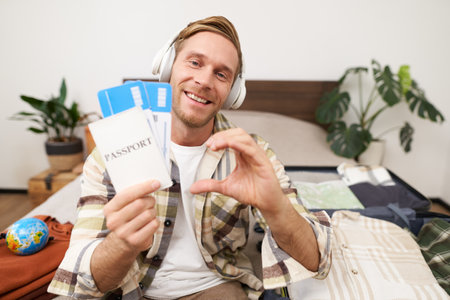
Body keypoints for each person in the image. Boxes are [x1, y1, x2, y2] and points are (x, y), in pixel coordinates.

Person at [48, 16, 332, 299]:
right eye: (195, 62)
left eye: (221, 74)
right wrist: (122, 243)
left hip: (214, 287)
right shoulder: (109, 155)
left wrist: (276, 207)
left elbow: (315, 260)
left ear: (233, 92)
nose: (204, 81)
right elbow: (86, 279)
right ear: (168, 67)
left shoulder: (253, 156)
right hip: (128, 287)